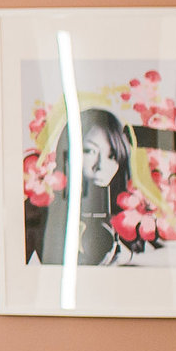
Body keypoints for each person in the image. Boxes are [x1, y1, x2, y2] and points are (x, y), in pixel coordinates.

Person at [36, 107, 136, 267]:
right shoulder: (40, 210)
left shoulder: (131, 212)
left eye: (112, 156)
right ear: (67, 154)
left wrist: (128, 257)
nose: (101, 166)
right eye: (90, 151)